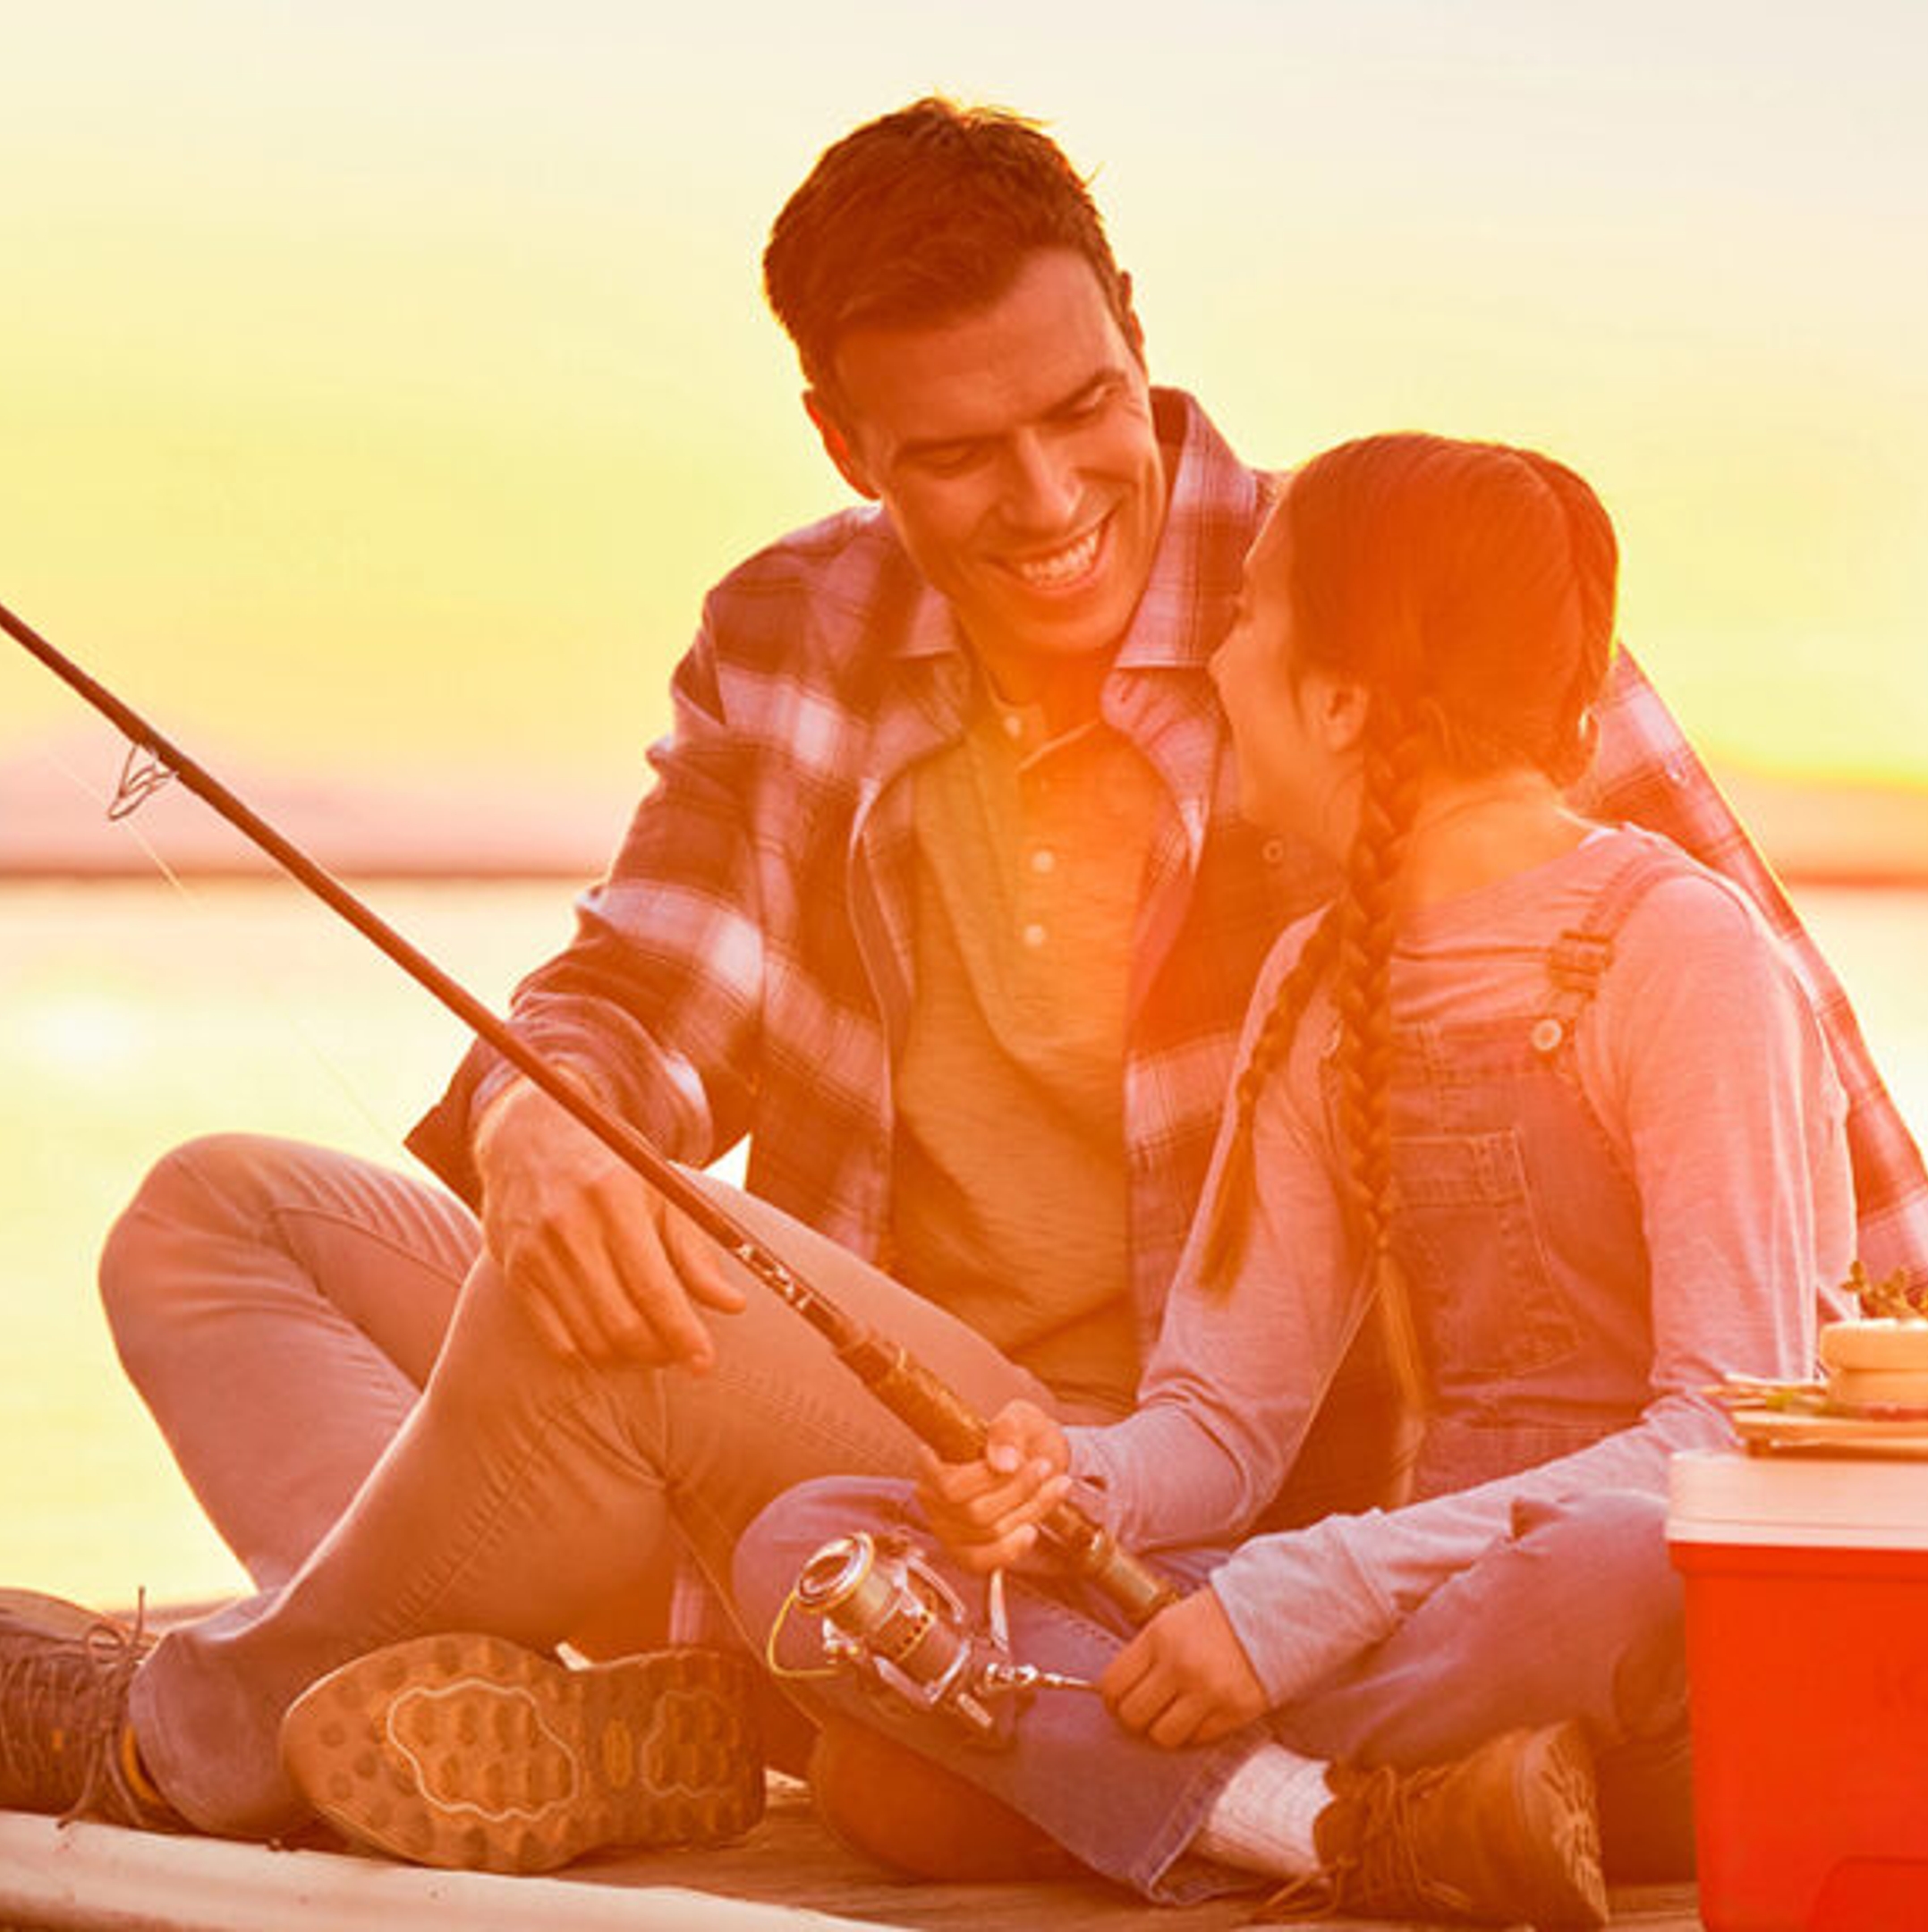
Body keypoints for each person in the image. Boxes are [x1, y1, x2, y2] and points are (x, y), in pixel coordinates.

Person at [0, 97, 1928, 1877]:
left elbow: (1824, 1170)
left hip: (1291, 1544)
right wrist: (554, 1120)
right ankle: (552, 1703)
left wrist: (1889, 1586)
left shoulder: (1396, 603)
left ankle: (217, 1720)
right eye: (953, 455)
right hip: (954, 1464)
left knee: (690, 1344)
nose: (1046, 504)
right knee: (221, 1220)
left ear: (1134, 327)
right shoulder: (798, 635)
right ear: (846, 439)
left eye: (1081, 409)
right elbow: (643, 986)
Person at [724, 432, 1836, 1927]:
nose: (1213, 666)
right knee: (813, 1547)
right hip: (1387, 1646)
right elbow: (1224, 1428)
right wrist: (1066, 1480)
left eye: (1246, 620)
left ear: (1339, 699)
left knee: (1623, 1562)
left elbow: (1729, 1440)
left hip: (1596, 1664)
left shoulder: (1679, 952)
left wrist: (1298, 1601)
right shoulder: (1320, 980)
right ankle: (1334, 1823)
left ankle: (1126, 1784)